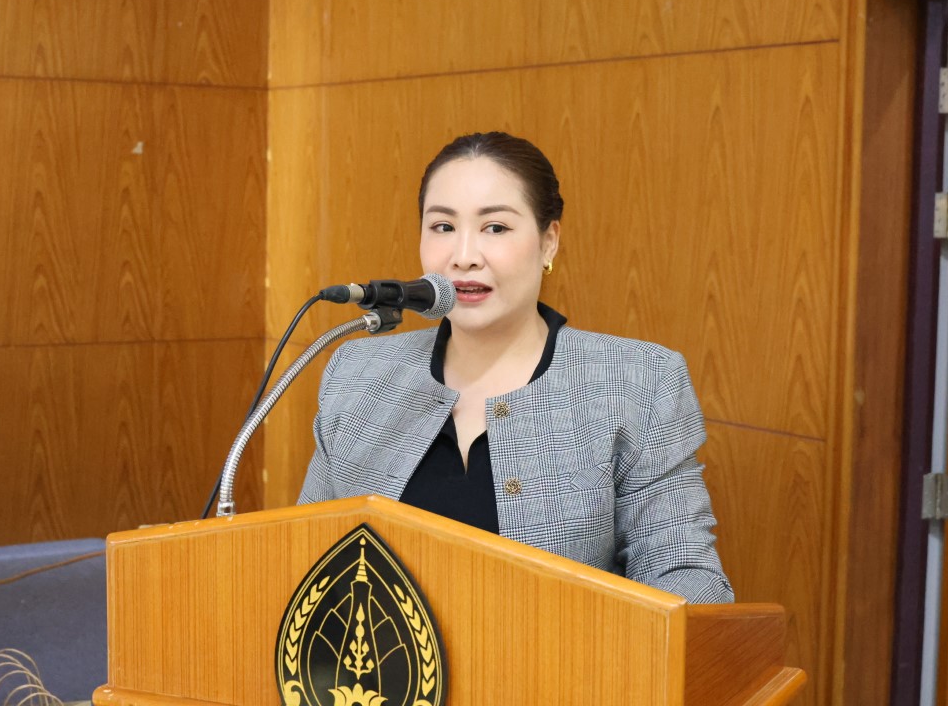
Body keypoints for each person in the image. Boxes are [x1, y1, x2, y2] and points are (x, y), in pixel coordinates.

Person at [298, 132, 733, 604]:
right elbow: (308, 554)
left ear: (548, 243)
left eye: (495, 228)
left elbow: (689, 578)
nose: (464, 256)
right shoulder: (360, 373)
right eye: (443, 226)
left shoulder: (637, 382)